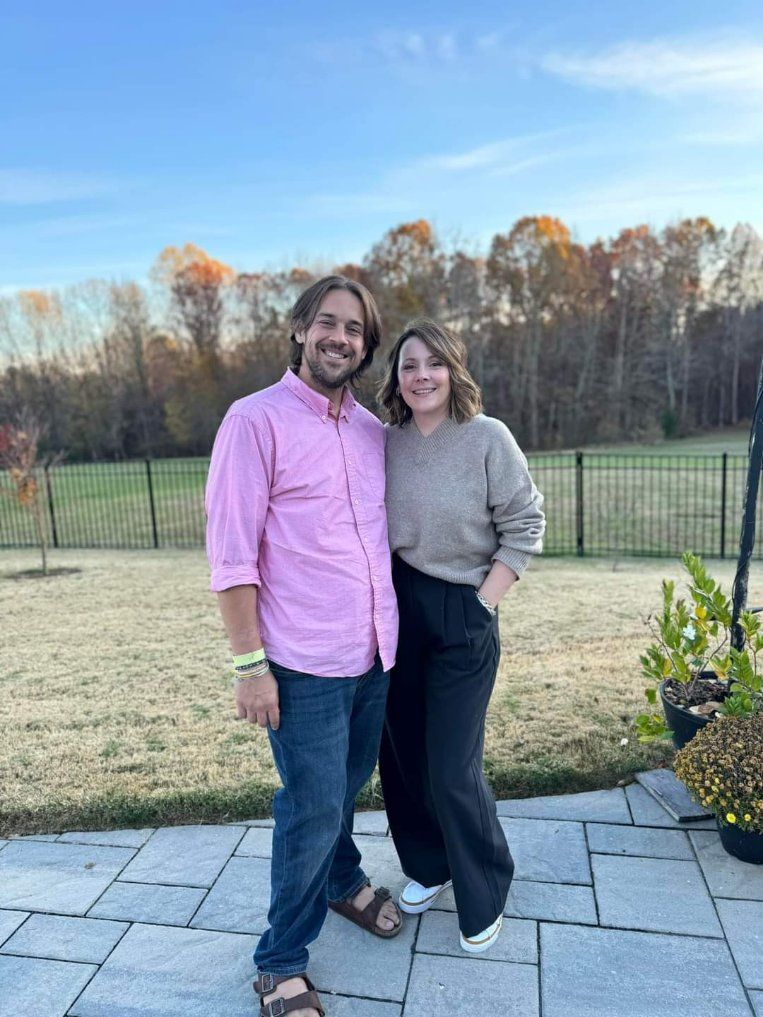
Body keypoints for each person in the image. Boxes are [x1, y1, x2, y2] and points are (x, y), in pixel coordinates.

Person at [205, 276, 401, 1017]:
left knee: (341, 792)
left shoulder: (370, 433)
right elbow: (231, 556)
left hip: (372, 654)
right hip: (302, 664)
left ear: (365, 346)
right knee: (311, 806)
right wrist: (248, 665)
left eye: (354, 329)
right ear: (298, 329)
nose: (339, 338)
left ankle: (342, 879)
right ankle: (279, 961)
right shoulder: (252, 421)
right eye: (327, 322)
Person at [377, 318, 545, 954]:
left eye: (434, 364)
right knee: (402, 758)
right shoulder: (383, 440)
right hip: (395, 609)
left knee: (451, 765)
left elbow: (525, 524)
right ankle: (429, 866)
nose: (422, 376)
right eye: (409, 365)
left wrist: (482, 603)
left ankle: (485, 884)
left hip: (462, 612)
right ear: (396, 377)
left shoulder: (485, 438)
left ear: (454, 370)